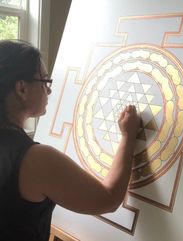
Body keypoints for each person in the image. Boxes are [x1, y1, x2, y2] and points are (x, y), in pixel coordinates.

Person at [0, 40, 140, 241]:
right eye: (45, 82)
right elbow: (108, 200)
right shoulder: (36, 159)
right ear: (22, 89)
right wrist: (128, 136)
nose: (48, 91)